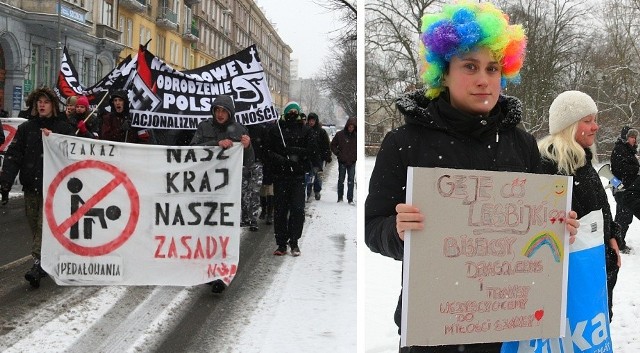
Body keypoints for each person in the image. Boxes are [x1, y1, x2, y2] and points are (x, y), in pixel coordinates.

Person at [364, 3, 578, 352]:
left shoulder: (521, 143)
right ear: (443, 73)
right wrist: (397, 231)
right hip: (432, 328)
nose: (483, 79)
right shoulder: (404, 142)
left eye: (493, 69)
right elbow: (373, 229)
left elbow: (542, 227)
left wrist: (560, 225)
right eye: (469, 66)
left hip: (506, 327)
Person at [538, 90, 621, 320]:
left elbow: (600, 207)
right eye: (587, 121)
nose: (595, 127)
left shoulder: (581, 160)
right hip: (571, 279)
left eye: (595, 120)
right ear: (569, 126)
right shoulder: (551, 164)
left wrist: (611, 236)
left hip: (593, 271)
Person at [0, 86, 75, 288]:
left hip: (54, 188)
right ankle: (46, 259)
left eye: (46, 101)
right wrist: (5, 180)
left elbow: (73, 153)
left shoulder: (63, 128)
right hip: (31, 186)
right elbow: (14, 155)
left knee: (44, 227)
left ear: (53, 105)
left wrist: (55, 141)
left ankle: (38, 264)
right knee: (35, 226)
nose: (41, 105)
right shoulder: (26, 129)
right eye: (38, 101)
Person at [190, 94, 253, 293]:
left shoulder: (240, 130)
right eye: (217, 110)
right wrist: (215, 145)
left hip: (228, 192)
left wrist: (248, 146)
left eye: (223, 111)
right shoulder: (204, 127)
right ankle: (208, 269)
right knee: (206, 231)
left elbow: (249, 161)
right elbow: (192, 150)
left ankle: (221, 273)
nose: (219, 114)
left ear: (230, 112)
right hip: (205, 188)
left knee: (224, 232)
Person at [264, 101, 318, 256]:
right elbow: (268, 151)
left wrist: (296, 153)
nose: (293, 114)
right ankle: (281, 244)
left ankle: (294, 242)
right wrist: (282, 159)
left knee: (298, 210)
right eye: (290, 111)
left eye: (296, 111)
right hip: (280, 176)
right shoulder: (276, 130)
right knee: (280, 210)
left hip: (298, 176)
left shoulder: (306, 131)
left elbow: (312, 151)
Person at [610, 126, 639, 253]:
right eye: (632, 137)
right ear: (625, 137)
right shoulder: (620, 149)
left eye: (635, 137)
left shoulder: (629, 151)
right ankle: (617, 244)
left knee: (626, 217)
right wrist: (637, 169)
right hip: (621, 189)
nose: (634, 140)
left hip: (628, 189)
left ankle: (619, 242)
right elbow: (620, 168)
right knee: (623, 217)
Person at [305, 112, 332, 201]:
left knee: (318, 176)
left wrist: (327, 155)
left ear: (316, 121)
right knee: (308, 176)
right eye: (310, 120)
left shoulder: (321, 132)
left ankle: (317, 191)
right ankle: (307, 192)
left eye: (313, 120)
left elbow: (326, 145)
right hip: (308, 157)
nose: (311, 122)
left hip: (318, 158)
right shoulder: (305, 130)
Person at [330, 117, 357, 204]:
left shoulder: (356, 136)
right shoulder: (340, 135)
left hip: (352, 161)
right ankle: (340, 197)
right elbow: (333, 145)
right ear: (347, 126)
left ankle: (350, 199)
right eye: (350, 127)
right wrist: (338, 153)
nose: (351, 129)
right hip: (342, 161)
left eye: (352, 127)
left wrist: (356, 156)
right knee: (341, 180)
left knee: (351, 180)